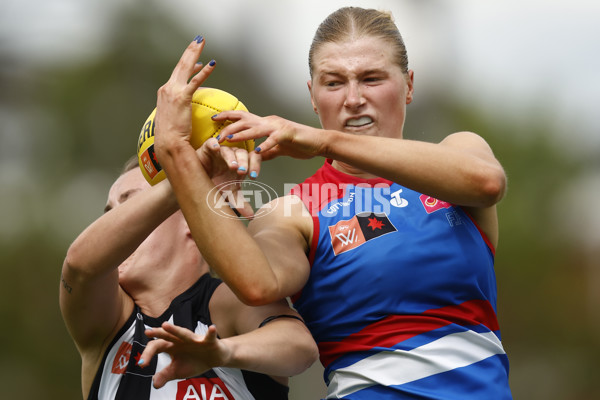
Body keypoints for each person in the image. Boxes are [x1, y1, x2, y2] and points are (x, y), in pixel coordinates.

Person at [153, 6, 512, 399]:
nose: (353, 99)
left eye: (372, 78)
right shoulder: (296, 210)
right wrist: (176, 155)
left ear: (408, 85)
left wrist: (323, 141)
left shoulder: (459, 151)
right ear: (312, 95)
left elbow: (487, 182)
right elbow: (256, 283)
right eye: (334, 83)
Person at [59, 154, 318, 400]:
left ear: (192, 221)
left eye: (133, 204)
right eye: (110, 214)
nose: (118, 223)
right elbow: (80, 267)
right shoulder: (109, 323)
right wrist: (185, 178)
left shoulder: (227, 301)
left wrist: (223, 353)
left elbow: (300, 346)